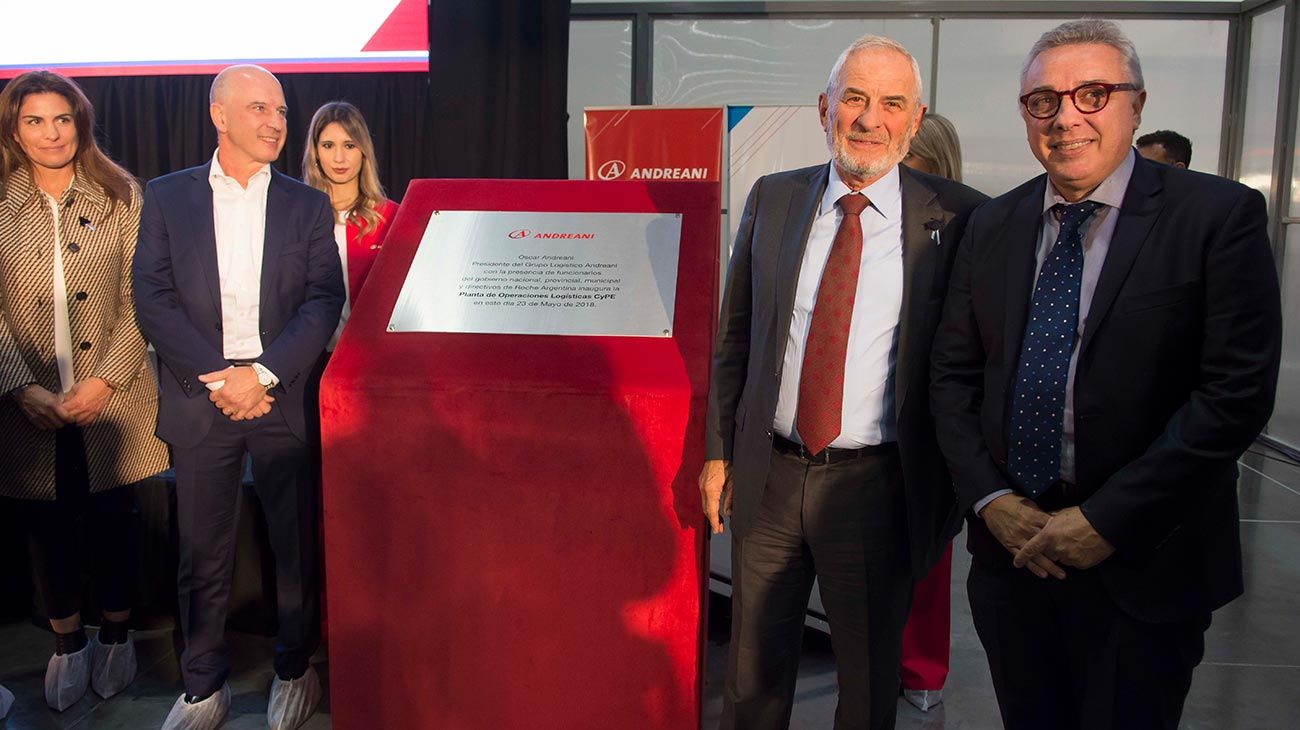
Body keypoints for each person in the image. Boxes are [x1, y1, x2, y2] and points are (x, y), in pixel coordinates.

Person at [930, 19, 1281, 730]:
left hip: (1146, 563)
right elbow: (952, 379)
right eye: (1044, 101)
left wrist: (1105, 520)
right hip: (1013, 560)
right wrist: (990, 499)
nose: (1066, 118)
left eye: (1093, 94)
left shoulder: (1218, 217)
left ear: (1136, 104)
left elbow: (1234, 395)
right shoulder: (993, 225)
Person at [700, 35, 987, 730]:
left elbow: (973, 366)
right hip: (770, 477)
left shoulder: (962, 216)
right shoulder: (774, 198)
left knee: (865, 685)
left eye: (891, 103)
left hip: (877, 488)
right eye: (854, 98)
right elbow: (736, 336)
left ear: (915, 119)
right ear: (825, 107)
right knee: (751, 678)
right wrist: (717, 452)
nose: (869, 118)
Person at [133, 64, 343, 730]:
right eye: (259, 108)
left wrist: (266, 374)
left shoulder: (306, 204)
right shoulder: (167, 197)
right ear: (219, 115)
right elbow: (153, 300)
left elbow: (322, 301)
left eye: (280, 110)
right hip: (204, 399)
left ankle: (293, 669)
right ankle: (202, 686)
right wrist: (224, 378)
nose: (276, 122)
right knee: (201, 550)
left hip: (282, 397)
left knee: (294, 544)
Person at [0, 70, 168, 711]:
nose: (51, 133)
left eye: (62, 119)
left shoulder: (123, 193)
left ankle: (118, 639)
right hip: (27, 408)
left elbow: (144, 299)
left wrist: (108, 377)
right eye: (35, 121)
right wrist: (20, 387)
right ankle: (68, 644)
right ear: (15, 129)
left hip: (114, 400)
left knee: (114, 525)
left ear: (81, 123)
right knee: (46, 530)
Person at [895, 111, 966, 714]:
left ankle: (921, 669)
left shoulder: (967, 226)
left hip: (931, 419)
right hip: (859, 417)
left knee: (927, 554)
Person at [301, 101, 399, 349]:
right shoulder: (295, 216)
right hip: (305, 361)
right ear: (315, 152)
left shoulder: (391, 217)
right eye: (328, 145)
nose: (339, 158)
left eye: (349, 145)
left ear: (363, 151)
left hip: (371, 358)